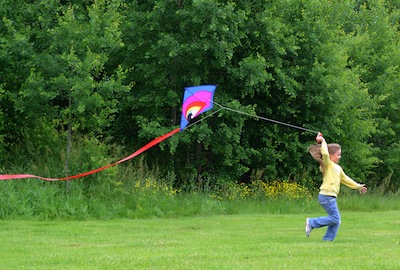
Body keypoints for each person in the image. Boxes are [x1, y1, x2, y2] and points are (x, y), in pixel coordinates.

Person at [305, 132, 367, 241]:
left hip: (330, 196)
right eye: (338, 154)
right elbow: (324, 154)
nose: (340, 156)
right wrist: (323, 141)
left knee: (336, 220)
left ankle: (327, 240)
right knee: (335, 218)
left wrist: (358, 186)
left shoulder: (338, 168)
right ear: (331, 155)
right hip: (326, 195)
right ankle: (311, 222)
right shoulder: (327, 165)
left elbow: (346, 179)